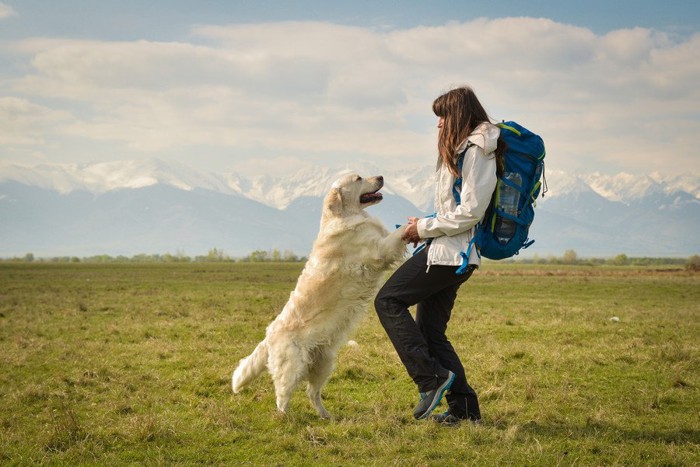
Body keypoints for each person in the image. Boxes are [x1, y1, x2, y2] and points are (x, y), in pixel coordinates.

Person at [374, 86, 503, 425]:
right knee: (431, 332)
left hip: (452, 255)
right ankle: (465, 412)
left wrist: (426, 228)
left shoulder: (478, 150)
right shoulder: (466, 149)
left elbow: (472, 210)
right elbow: (455, 207)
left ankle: (430, 380)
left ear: (459, 115)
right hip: (450, 251)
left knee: (387, 301)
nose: (439, 124)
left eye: (443, 116)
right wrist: (424, 223)